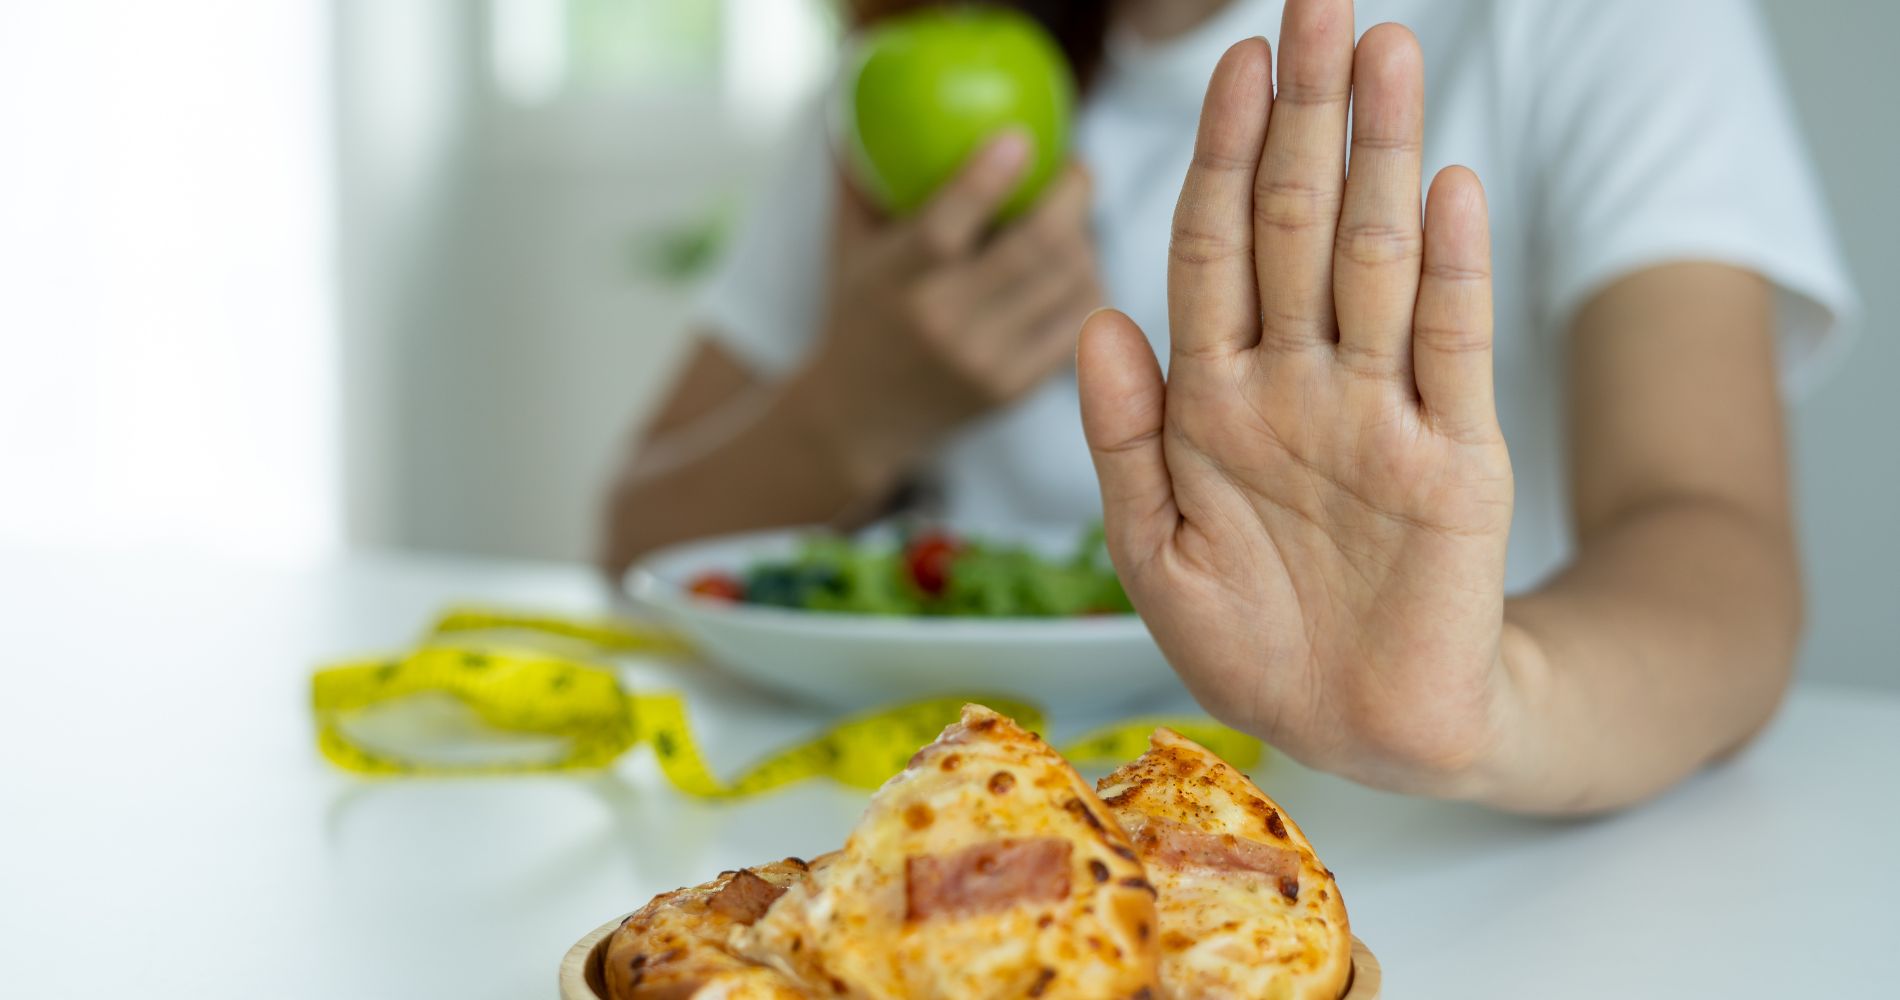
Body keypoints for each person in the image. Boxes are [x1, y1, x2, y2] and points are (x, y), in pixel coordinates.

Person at [599, 0, 1854, 814]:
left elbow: (1716, 546)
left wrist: (1486, 703)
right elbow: (631, 541)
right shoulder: (905, 58)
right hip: (926, 832)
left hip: (1437, 848)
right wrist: (854, 410)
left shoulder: (1596, 26)